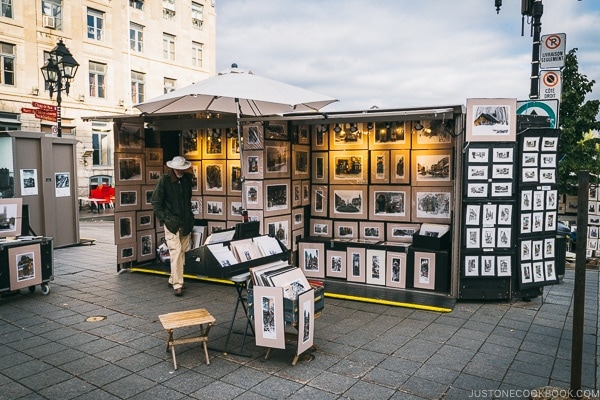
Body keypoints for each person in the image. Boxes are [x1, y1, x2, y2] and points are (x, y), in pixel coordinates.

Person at [151, 156, 194, 296]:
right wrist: (165, 218)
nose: (181, 171)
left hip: (185, 221)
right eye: (179, 169)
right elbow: (156, 202)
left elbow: (188, 199)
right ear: (173, 168)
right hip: (172, 222)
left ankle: (173, 279)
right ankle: (177, 284)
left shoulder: (187, 179)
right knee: (176, 251)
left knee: (182, 251)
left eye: (183, 169)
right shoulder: (165, 180)